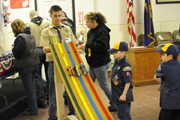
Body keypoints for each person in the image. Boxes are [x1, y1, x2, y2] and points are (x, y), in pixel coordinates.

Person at [39, 5, 77, 120]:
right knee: (53, 91)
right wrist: (61, 48)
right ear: (50, 15)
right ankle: (52, 116)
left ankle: (72, 113)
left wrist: (58, 47)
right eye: (55, 16)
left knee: (71, 89)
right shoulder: (46, 31)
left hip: (67, 62)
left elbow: (73, 45)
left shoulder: (67, 29)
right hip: (53, 64)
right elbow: (45, 49)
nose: (58, 18)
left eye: (60, 16)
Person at [79, 11, 117, 111]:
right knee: (90, 83)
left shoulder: (102, 31)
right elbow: (91, 43)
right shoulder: (91, 30)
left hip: (100, 62)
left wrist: (87, 45)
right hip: (93, 62)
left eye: (87, 22)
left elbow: (102, 47)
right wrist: (85, 47)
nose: (85, 24)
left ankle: (115, 104)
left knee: (103, 85)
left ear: (94, 21)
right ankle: (89, 103)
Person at [11, 19, 40, 115]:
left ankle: (33, 109)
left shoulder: (20, 38)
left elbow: (18, 54)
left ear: (15, 28)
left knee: (29, 89)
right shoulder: (30, 34)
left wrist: (13, 49)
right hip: (34, 63)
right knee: (31, 87)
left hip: (26, 66)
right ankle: (34, 107)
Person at [26, 10, 50, 107]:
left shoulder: (28, 25)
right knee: (49, 76)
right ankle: (50, 98)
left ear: (30, 17)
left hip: (36, 51)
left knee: (38, 76)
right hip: (48, 50)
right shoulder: (48, 23)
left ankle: (41, 101)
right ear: (38, 15)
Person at [108, 41, 134, 120]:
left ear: (123, 53)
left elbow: (128, 82)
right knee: (122, 115)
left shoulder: (125, 65)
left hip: (123, 96)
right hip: (118, 94)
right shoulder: (117, 61)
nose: (113, 54)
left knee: (124, 116)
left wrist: (123, 95)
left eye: (116, 52)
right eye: (113, 52)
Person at [155, 43, 180, 120]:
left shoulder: (164, 66)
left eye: (163, 55)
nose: (161, 57)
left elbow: (156, 77)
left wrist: (162, 84)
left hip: (168, 102)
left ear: (170, 57)